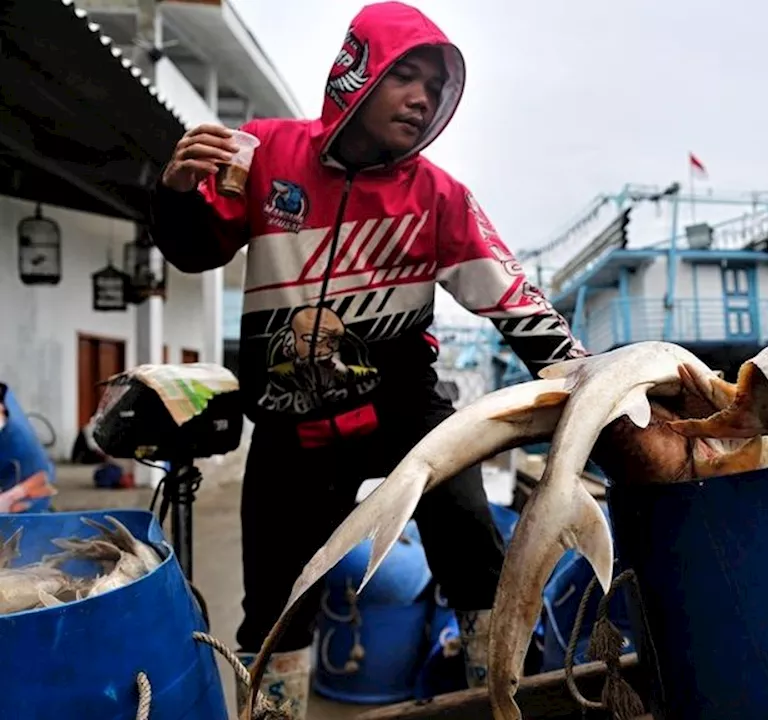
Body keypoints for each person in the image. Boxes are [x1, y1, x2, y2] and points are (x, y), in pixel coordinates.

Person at [145, 2, 587, 715]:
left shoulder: (440, 197)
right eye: (403, 76)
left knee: (478, 558)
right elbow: (197, 251)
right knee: (273, 612)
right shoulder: (264, 153)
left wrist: (597, 383)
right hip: (291, 430)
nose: (422, 98)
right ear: (357, 73)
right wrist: (172, 195)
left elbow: (518, 307)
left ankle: (502, 703)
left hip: (407, 413)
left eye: (435, 89)